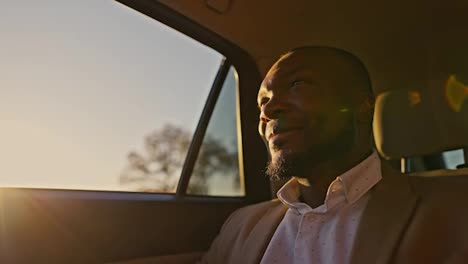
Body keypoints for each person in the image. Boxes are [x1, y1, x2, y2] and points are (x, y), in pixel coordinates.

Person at [199, 46, 468, 264]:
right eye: (264, 101)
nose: (268, 112)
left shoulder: (456, 208)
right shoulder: (241, 225)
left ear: (362, 107)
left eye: (297, 84)